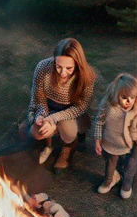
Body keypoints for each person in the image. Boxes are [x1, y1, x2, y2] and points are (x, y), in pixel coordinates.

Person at [24, 38, 96, 171]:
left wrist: (53, 119)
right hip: (47, 108)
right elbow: (38, 99)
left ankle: (69, 147)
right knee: (36, 133)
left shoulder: (87, 75)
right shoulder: (43, 68)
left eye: (69, 68)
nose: (62, 73)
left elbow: (82, 106)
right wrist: (41, 117)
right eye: (58, 66)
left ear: (78, 64)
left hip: (71, 112)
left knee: (68, 131)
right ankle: (49, 145)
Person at [94, 73, 137, 198]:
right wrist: (98, 140)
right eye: (124, 97)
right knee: (110, 163)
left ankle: (126, 181)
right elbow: (98, 122)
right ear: (116, 93)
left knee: (128, 164)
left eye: (132, 97)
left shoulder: (134, 109)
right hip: (110, 143)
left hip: (128, 145)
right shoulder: (107, 105)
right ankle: (109, 180)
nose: (129, 101)